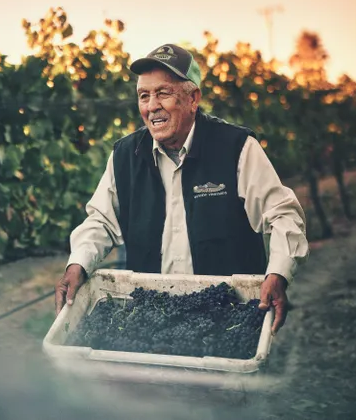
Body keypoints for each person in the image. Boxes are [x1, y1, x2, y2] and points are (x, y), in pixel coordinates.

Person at [55, 44, 309, 334]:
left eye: (163, 93)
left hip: (228, 321)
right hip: (152, 320)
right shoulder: (125, 156)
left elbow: (283, 215)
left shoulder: (236, 148)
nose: (152, 106)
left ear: (193, 98)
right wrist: (77, 265)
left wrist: (277, 274)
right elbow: (101, 222)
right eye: (144, 96)